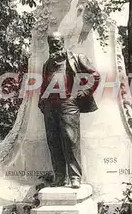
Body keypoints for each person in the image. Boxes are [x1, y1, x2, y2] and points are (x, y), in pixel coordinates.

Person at [38, 32, 100, 188]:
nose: (54, 44)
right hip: (50, 106)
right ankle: (59, 177)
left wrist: (84, 92)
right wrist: (42, 102)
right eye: (51, 42)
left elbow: (95, 75)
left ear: (63, 42)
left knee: (70, 140)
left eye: (57, 41)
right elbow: (44, 85)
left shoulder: (75, 58)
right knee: (53, 142)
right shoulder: (47, 63)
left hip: (68, 103)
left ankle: (75, 177)